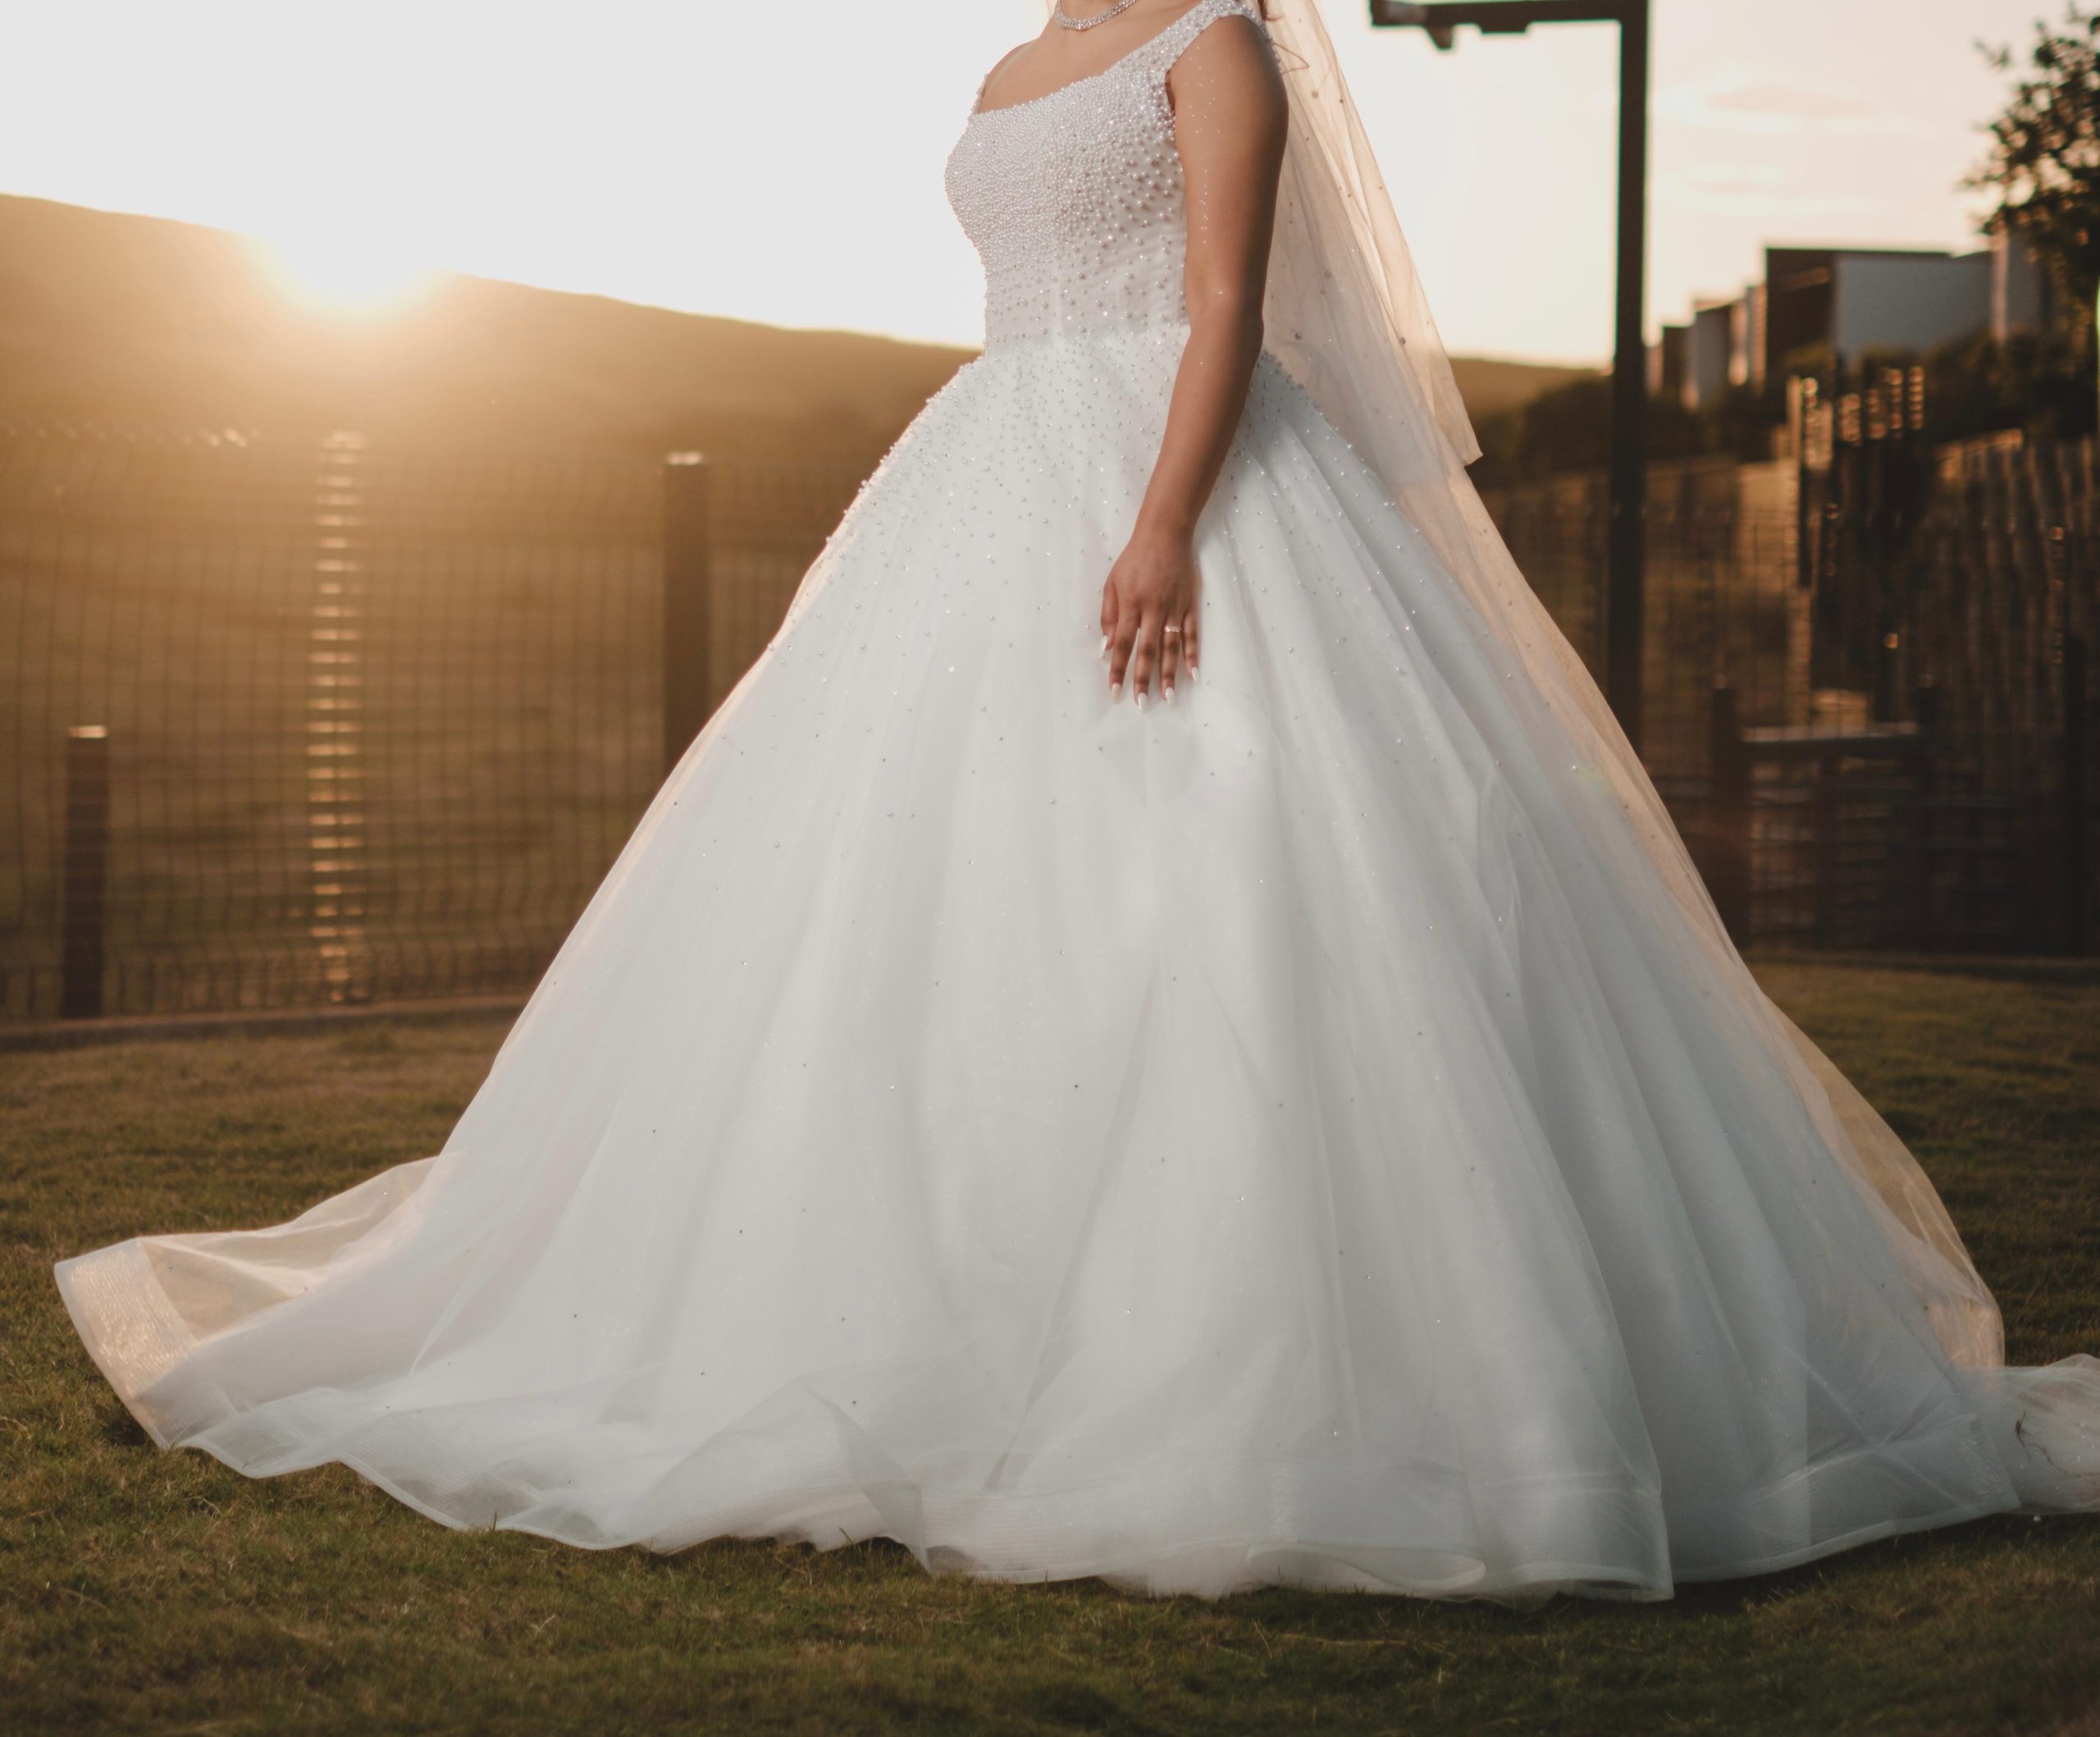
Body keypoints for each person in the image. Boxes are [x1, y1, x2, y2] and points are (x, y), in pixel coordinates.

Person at [56, 0, 2100, 1600]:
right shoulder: (1013, 60)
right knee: (894, 911)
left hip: (1173, 470)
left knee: (1258, 892)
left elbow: (1226, 305)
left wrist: (1161, 525)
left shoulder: (1221, 45)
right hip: (978, 478)